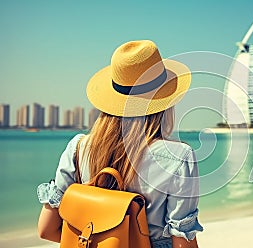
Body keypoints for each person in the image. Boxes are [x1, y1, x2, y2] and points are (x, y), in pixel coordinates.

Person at [36, 40, 203, 248]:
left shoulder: (78, 149)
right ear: (165, 102)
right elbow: (182, 244)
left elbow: (47, 229)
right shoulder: (178, 158)